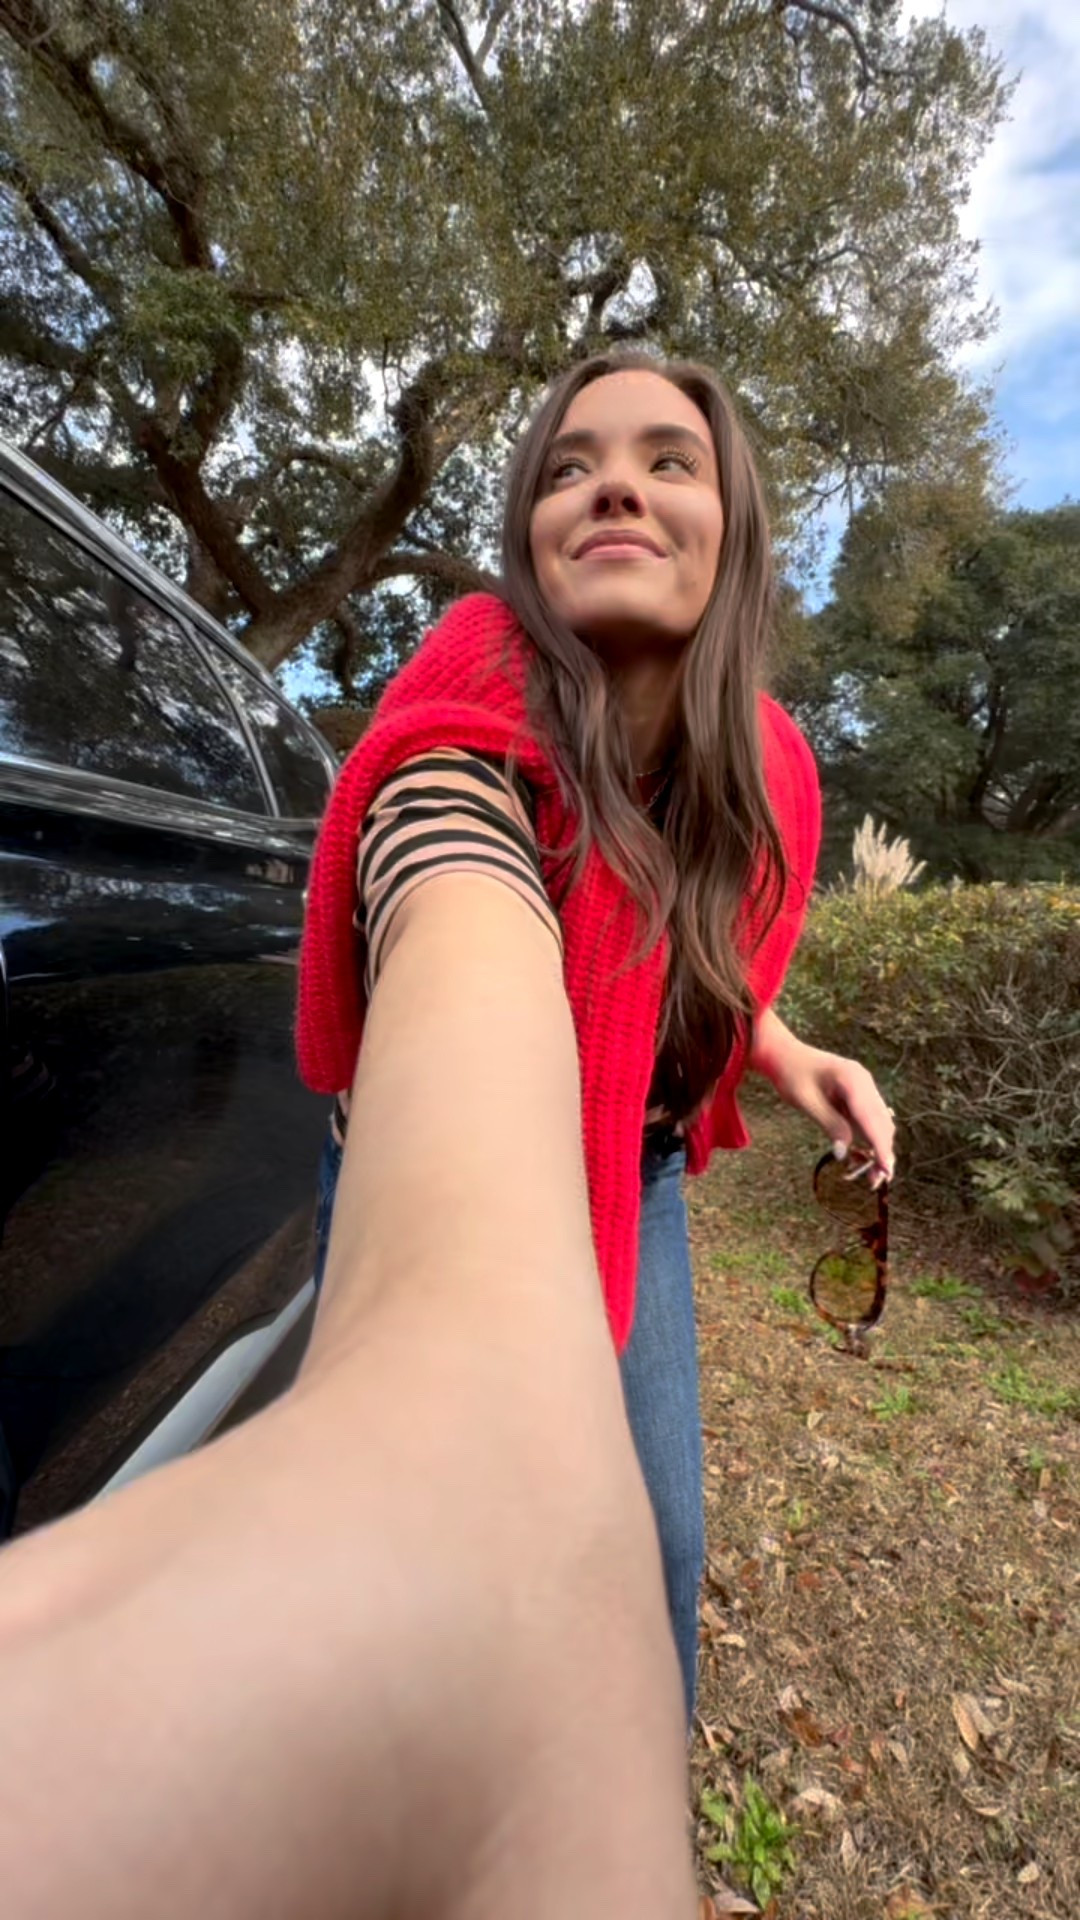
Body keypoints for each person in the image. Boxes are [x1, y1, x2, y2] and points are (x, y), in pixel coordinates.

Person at [299, 349, 896, 1729]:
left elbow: (704, 967)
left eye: (666, 460)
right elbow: (451, 880)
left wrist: (789, 1056)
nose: (612, 485)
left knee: (656, 1553)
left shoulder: (770, 766)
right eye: (568, 469)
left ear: (733, 531)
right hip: (439, 1175)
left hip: (639, 1174)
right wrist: (464, 1236)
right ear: (531, 535)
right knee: (432, 1566)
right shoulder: (478, 673)